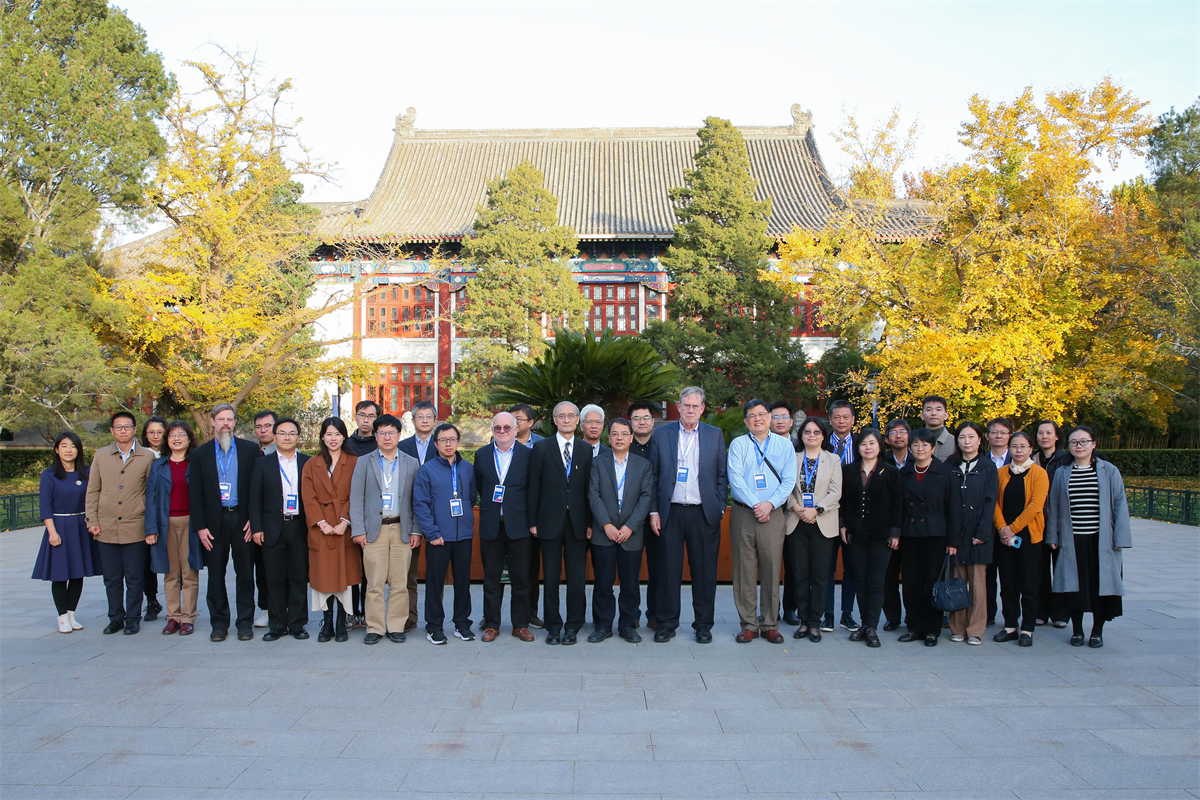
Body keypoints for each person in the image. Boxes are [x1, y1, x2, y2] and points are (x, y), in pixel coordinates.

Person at [647, 387, 728, 644]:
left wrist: (719, 506)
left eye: (695, 406)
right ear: (678, 407)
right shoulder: (662, 434)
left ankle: (703, 625)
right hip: (669, 512)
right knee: (668, 570)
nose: (690, 410)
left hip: (703, 513)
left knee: (704, 572)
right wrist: (654, 510)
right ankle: (667, 623)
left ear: (702, 408)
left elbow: (721, 475)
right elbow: (653, 476)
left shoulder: (714, 434)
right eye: (686, 405)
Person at [1044, 426, 1130, 648]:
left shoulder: (1109, 471)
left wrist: (1121, 539)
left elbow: (1120, 504)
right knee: (1074, 587)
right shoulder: (1062, 473)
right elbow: (1054, 506)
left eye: (1084, 441)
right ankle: (1077, 631)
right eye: (1074, 442)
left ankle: (1097, 632)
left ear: (1093, 444)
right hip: (1072, 540)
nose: (1079, 446)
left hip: (1101, 540)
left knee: (1101, 587)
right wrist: (1052, 536)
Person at [189, 403, 261, 642]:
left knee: (245, 574)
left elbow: (257, 488)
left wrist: (254, 520)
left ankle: (245, 624)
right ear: (212, 422)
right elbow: (195, 494)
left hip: (242, 520)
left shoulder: (250, 450)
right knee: (215, 575)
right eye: (221, 419)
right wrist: (200, 527)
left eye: (230, 419)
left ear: (234, 422)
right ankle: (219, 624)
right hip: (213, 522)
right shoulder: (200, 454)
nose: (226, 424)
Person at [728, 399, 797, 644]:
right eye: (751, 415)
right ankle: (748, 624)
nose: (757, 419)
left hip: (773, 513)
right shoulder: (738, 444)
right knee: (743, 571)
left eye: (761, 414)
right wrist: (757, 504)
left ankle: (769, 624)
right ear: (746, 421)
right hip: (744, 513)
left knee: (771, 569)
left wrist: (769, 504)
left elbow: (789, 480)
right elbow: (735, 479)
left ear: (769, 417)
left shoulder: (784, 445)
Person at [349, 414, 421, 644]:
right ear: (375, 436)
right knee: (374, 582)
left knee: (400, 582)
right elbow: (356, 498)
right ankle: (375, 627)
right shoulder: (364, 462)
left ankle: (396, 625)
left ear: (399, 435)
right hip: (374, 531)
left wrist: (416, 530)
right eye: (382, 432)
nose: (387, 437)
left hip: (401, 529)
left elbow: (417, 500)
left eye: (391, 432)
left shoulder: (411, 462)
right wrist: (358, 530)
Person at [528, 401, 594, 645]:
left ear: (578, 420)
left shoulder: (585, 449)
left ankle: (573, 626)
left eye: (571, 416)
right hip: (548, 522)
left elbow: (589, 489)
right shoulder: (541, 448)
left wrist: (590, 523)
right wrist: (533, 521)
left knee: (577, 578)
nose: (566, 420)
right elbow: (534, 486)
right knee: (551, 578)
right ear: (554, 420)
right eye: (561, 416)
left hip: (578, 523)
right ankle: (553, 626)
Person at [86, 411, 156, 635]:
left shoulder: (147, 457)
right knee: (112, 578)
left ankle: (133, 618)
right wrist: (92, 519)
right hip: (106, 526)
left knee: (135, 577)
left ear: (135, 429)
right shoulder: (101, 455)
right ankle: (115, 618)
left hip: (135, 525)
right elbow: (93, 490)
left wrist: (150, 526)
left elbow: (151, 493)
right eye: (118, 427)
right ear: (112, 431)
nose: (123, 431)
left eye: (127, 426)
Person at [588, 417, 654, 643]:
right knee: (602, 583)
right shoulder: (598, 463)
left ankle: (628, 625)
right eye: (615, 434)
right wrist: (606, 524)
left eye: (624, 434)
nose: (619, 438)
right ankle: (602, 625)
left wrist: (630, 526)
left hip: (631, 534)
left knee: (630, 584)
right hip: (603, 533)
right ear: (609, 437)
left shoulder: (643, 465)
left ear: (631, 438)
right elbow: (593, 495)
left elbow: (646, 498)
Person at [32, 432, 102, 633]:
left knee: (78, 573)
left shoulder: (87, 472)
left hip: (81, 525)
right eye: (64, 446)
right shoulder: (49, 474)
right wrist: (52, 532)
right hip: (60, 525)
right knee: (60, 573)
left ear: (79, 449)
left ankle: (72, 613)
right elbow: (45, 506)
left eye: (73, 446)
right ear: (57, 450)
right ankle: (62, 616)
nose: (69, 450)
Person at [414, 422, 477, 644]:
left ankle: (462, 624)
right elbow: (420, 504)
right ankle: (434, 627)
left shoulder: (467, 467)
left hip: (463, 536)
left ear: (458, 442)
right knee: (434, 583)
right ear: (436, 443)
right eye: (443, 440)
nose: (448, 444)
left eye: (452, 439)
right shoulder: (426, 469)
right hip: (438, 537)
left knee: (463, 583)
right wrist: (432, 533)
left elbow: (471, 497)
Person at [897, 427, 961, 646]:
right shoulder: (904, 473)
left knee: (933, 583)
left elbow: (954, 509)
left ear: (933, 448)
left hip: (935, 536)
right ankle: (914, 627)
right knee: (911, 584)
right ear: (910, 448)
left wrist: (953, 541)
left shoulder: (945, 473)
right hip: (910, 535)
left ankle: (932, 629)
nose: (920, 448)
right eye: (916, 444)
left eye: (925, 445)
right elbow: (898, 508)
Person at [475, 411, 535, 642]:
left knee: (521, 578)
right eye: (497, 428)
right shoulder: (481, 454)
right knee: (492, 578)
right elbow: (480, 485)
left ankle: (520, 625)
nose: (502, 431)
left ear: (516, 429)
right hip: (491, 524)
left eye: (507, 427)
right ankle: (492, 624)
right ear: (492, 430)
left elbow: (532, 489)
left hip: (519, 525)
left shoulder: (528, 454)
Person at [249, 418, 311, 640]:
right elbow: (254, 498)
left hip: (300, 526)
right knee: (273, 578)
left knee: (298, 577)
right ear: (274, 436)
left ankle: (297, 624)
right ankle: (276, 625)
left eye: (292, 433)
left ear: (298, 437)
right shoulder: (262, 463)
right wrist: (257, 527)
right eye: (282, 433)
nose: (287, 437)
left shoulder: (307, 462)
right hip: (272, 527)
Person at [840, 429, 902, 648]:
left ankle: (872, 627)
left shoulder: (890, 471)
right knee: (860, 582)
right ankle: (864, 624)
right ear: (857, 447)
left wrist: (895, 532)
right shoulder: (848, 470)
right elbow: (843, 501)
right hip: (856, 535)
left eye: (872, 443)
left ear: (879, 446)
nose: (868, 447)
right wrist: (843, 525)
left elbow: (896, 504)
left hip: (881, 535)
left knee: (876, 583)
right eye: (864, 443)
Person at [301, 417, 361, 643]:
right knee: (323, 577)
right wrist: (322, 523)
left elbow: (357, 494)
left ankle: (341, 622)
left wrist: (345, 521)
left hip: (345, 526)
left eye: (337, 434)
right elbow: (308, 497)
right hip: (321, 528)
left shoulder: (355, 462)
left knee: (345, 577)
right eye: (329, 434)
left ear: (344, 436)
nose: (333, 438)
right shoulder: (312, 464)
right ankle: (326, 623)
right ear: (322, 437)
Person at [783, 419, 842, 642]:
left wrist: (816, 510)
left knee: (819, 575)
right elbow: (785, 487)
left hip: (822, 522)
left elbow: (836, 492)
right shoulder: (792, 457)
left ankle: (816, 622)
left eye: (816, 432)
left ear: (823, 435)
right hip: (796, 521)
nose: (811, 435)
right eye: (807, 431)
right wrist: (796, 507)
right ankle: (804, 621)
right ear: (801, 435)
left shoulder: (833, 459)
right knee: (800, 574)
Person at [144, 420, 203, 636]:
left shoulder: (196, 463)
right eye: (171, 435)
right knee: (170, 573)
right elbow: (150, 498)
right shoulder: (158, 465)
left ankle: (188, 617)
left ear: (189, 438)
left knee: (189, 572)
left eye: (181, 435)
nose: (176, 439)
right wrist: (150, 529)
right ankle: (173, 617)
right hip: (165, 522)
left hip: (190, 523)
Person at [991, 431, 1049, 647]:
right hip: (1004, 537)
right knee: (1008, 583)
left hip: (1029, 536)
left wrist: (1012, 529)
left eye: (1023, 446)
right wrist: (1002, 528)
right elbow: (994, 503)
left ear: (1030, 449)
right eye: (1014, 446)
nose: (1018, 450)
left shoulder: (1039, 473)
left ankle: (1028, 628)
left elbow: (1035, 506)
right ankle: (1010, 626)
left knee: (1029, 583)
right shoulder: (1001, 473)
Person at [946, 421, 998, 645]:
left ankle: (975, 629)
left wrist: (983, 532)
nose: (966, 441)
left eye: (971, 437)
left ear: (979, 440)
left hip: (978, 535)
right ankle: (957, 627)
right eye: (962, 437)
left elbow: (990, 501)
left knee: (978, 586)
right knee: (957, 583)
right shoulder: (950, 465)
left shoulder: (987, 466)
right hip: (955, 535)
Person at [398, 400, 438, 634]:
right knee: (407, 574)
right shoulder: (401, 447)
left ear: (435, 420)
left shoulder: (443, 445)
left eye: (428, 416)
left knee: (435, 574)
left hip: (436, 519)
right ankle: (408, 617)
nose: (424, 420)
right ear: (412, 421)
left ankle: (435, 619)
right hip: (407, 518)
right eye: (420, 416)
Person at [342, 399, 380, 628]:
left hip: (373, 514)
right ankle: (350, 612)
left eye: (371, 416)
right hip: (347, 513)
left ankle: (367, 613)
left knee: (369, 569)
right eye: (362, 415)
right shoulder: (346, 444)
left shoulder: (381, 443)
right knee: (350, 567)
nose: (366, 420)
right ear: (355, 416)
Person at [823, 400, 859, 633]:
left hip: (853, 513)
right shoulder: (822, 443)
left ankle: (847, 614)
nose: (841, 421)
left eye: (846, 417)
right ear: (830, 419)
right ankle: (827, 615)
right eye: (837, 417)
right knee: (826, 567)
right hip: (826, 512)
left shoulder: (863, 442)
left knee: (851, 567)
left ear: (853, 420)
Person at [510, 403, 545, 628]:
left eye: (518, 419)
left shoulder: (542, 445)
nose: (513, 424)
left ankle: (530, 612)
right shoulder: (499, 442)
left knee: (531, 568)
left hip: (534, 515)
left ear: (531, 422)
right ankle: (492, 615)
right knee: (502, 568)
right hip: (508, 513)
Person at [1033, 419, 1070, 628]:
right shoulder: (1032, 458)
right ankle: (1041, 610)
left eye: (1049, 433)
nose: (1044, 437)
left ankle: (1061, 612)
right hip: (1037, 521)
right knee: (1039, 569)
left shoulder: (1066, 459)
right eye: (1041, 433)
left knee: (1061, 567)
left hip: (1060, 521)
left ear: (1057, 436)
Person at [627, 402, 659, 629]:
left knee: (658, 568)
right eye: (636, 418)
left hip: (657, 518)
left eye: (646, 418)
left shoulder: (663, 446)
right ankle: (632, 614)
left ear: (653, 421)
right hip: (629, 520)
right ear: (630, 422)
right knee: (631, 570)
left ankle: (655, 614)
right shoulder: (622, 446)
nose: (641, 422)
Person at [770, 400, 802, 626]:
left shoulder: (801, 445)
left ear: (791, 421)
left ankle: (791, 607)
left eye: (784, 417)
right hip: (767, 512)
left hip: (793, 514)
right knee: (769, 564)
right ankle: (770, 609)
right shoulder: (762, 444)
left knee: (792, 564)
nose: (780, 421)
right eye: (775, 417)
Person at [880, 418, 911, 630]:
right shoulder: (882, 462)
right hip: (887, 525)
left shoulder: (919, 458)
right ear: (886, 439)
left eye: (902, 432)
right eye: (893, 432)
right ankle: (892, 616)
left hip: (911, 526)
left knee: (911, 576)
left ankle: (913, 616)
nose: (898, 436)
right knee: (888, 575)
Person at [983, 417, 1014, 625]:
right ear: (987, 436)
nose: (998, 436)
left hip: (1010, 527)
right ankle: (988, 614)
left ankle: (1011, 617)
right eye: (994, 432)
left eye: (1003, 432)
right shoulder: (980, 460)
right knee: (987, 575)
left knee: (1009, 575)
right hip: (986, 526)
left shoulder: (1018, 458)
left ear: (1009, 436)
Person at [250, 409, 279, 628]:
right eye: (258, 427)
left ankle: (285, 608)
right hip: (257, 521)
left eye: (267, 426)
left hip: (283, 519)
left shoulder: (287, 453)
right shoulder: (251, 454)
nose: (263, 431)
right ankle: (265, 608)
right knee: (262, 568)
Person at [138, 416, 167, 623]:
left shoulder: (174, 453)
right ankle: (152, 600)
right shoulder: (139, 456)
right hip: (145, 514)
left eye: (160, 432)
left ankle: (177, 604)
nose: (156, 436)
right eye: (151, 432)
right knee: (146, 563)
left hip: (169, 514)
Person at [920, 396, 956, 462]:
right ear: (922, 415)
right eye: (929, 410)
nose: (933, 413)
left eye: (938, 410)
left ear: (946, 415)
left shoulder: (955, 443)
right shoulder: (912, 442)